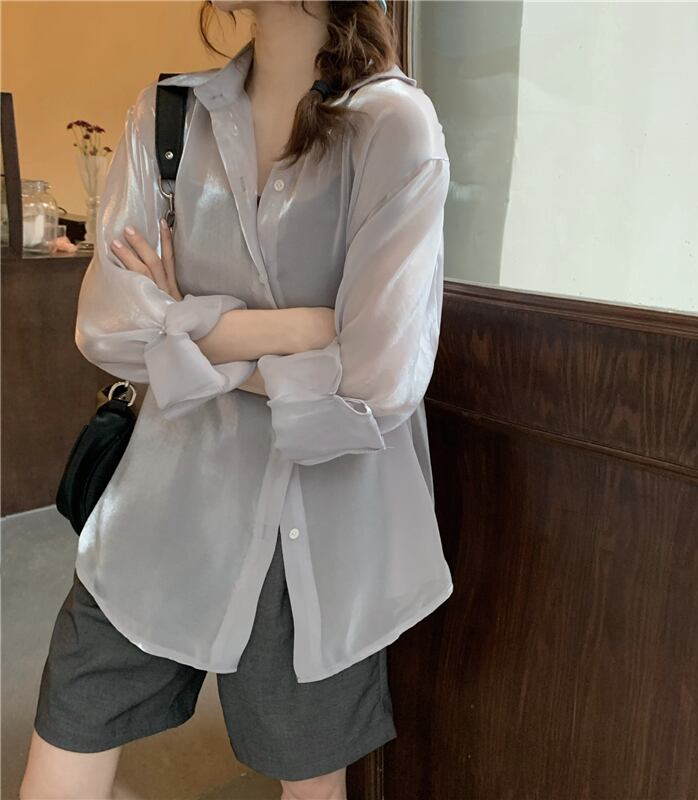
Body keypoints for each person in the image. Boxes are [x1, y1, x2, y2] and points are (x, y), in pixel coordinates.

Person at [20, 1, 453, 798]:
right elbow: (107, 327)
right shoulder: (168, 117)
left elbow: (379, 377)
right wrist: (302, 331)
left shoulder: (394, 126)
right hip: (161, 508)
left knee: (308, 778)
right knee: (70, 731)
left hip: (317, 531)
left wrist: (186, 333)